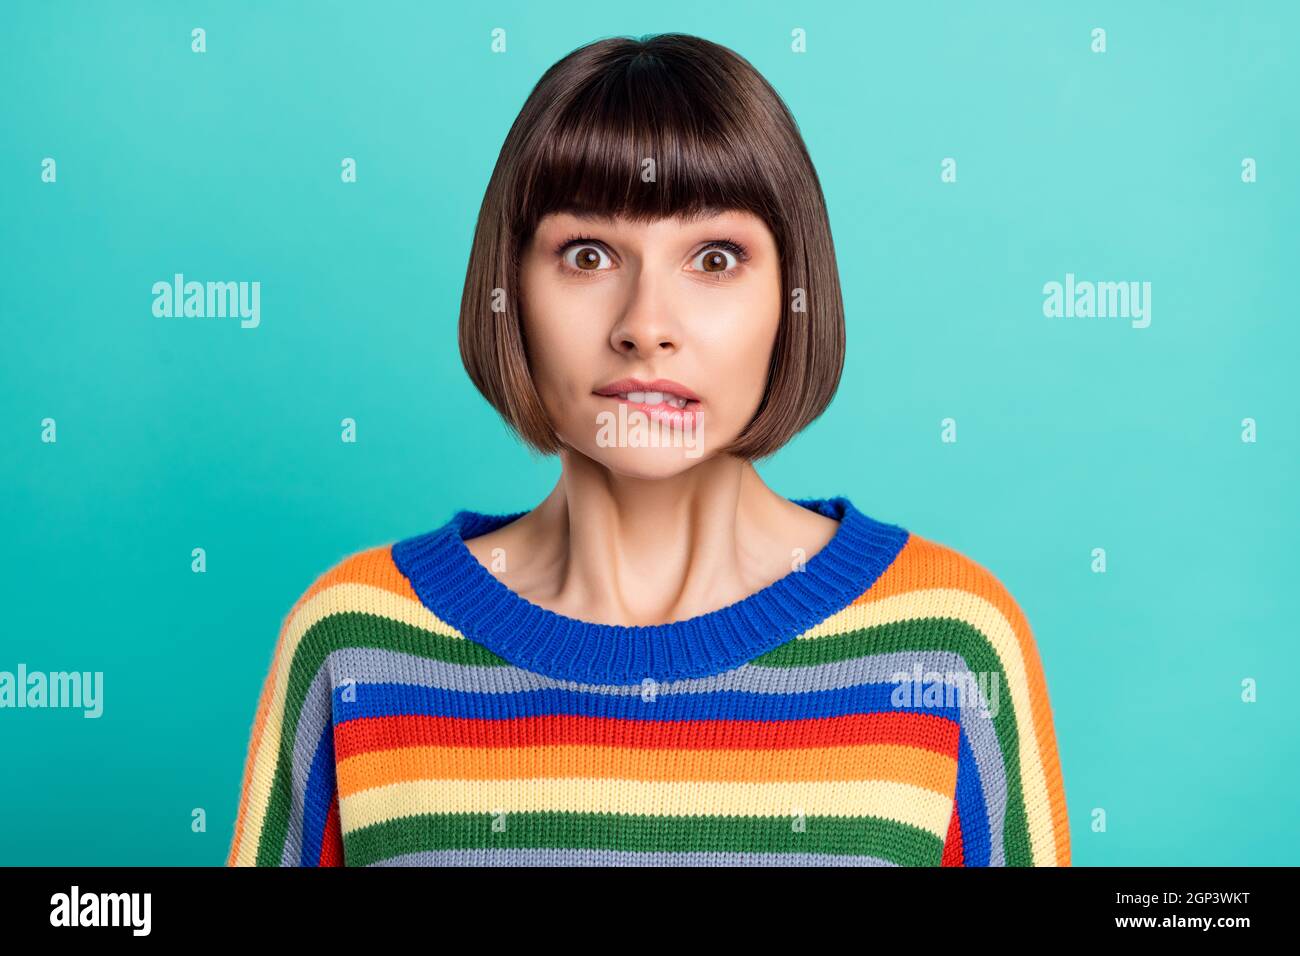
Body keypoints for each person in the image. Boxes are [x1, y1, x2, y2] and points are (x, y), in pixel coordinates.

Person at [227, 32, 1070, 867]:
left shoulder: (948, 643)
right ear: (509, 292)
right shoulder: (356, 643)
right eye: (587, 255)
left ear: (793, 298)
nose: (645, 327)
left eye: (714, 257)